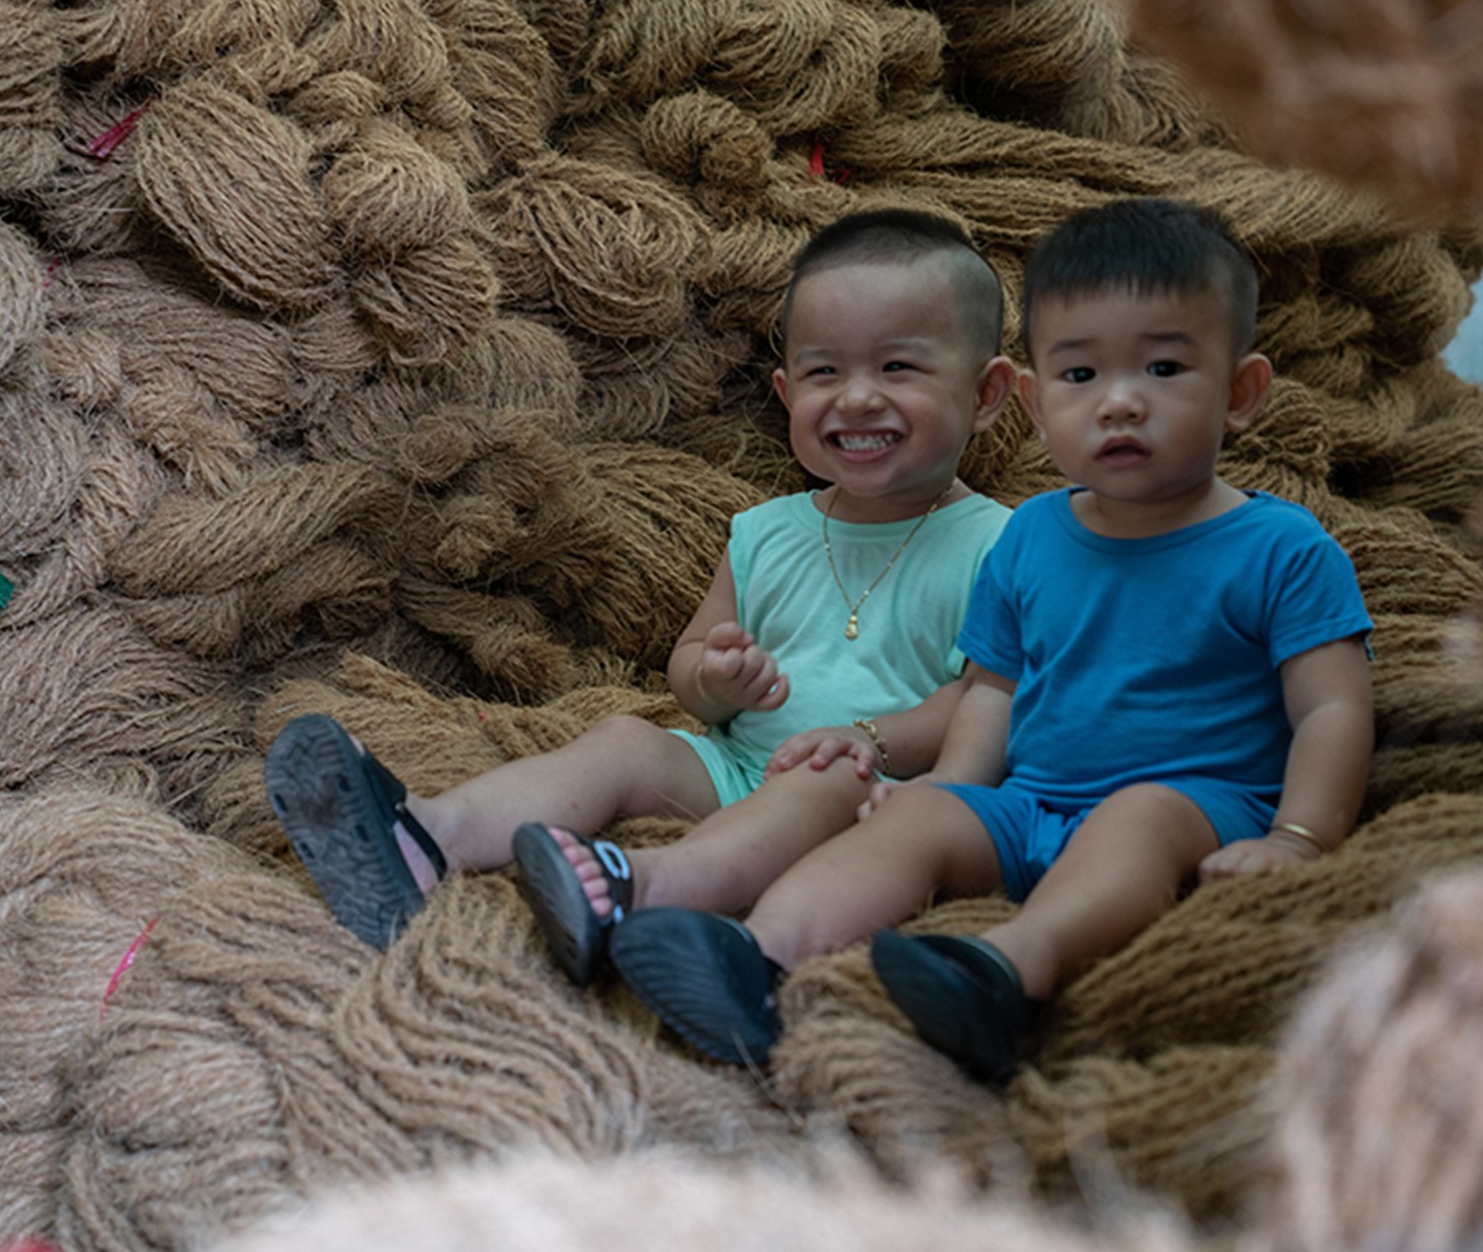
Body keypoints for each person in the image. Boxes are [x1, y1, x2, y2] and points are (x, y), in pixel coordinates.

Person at [607, 198, 1375, 1081]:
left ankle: (1008, 968)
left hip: (1196, 803)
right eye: (1081, 377)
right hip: (1032, 798)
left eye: (1164, 367)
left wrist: (1299, 838)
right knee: (918, 814)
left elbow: (1331, 710)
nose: (1120, 404)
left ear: (1239, 395)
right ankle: (754, 958)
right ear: (1039, 404)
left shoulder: (1284, 549)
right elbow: (995, 690)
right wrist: (951, 789)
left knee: (1140, 812)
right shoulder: (1031, 538)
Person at [263, 209, 1019, 975]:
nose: (855, 399)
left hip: (875, 801)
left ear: (987, 394)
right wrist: (718, 678)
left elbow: (987, 697)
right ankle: (428, 836)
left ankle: (649, 894)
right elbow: (689, 673)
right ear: (787, 393)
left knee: (824, 779)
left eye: (898, 369)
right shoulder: (768, 531)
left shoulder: (1002, 543)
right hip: (737, 768)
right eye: (826, 373)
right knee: (627, 741)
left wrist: (872, 740)